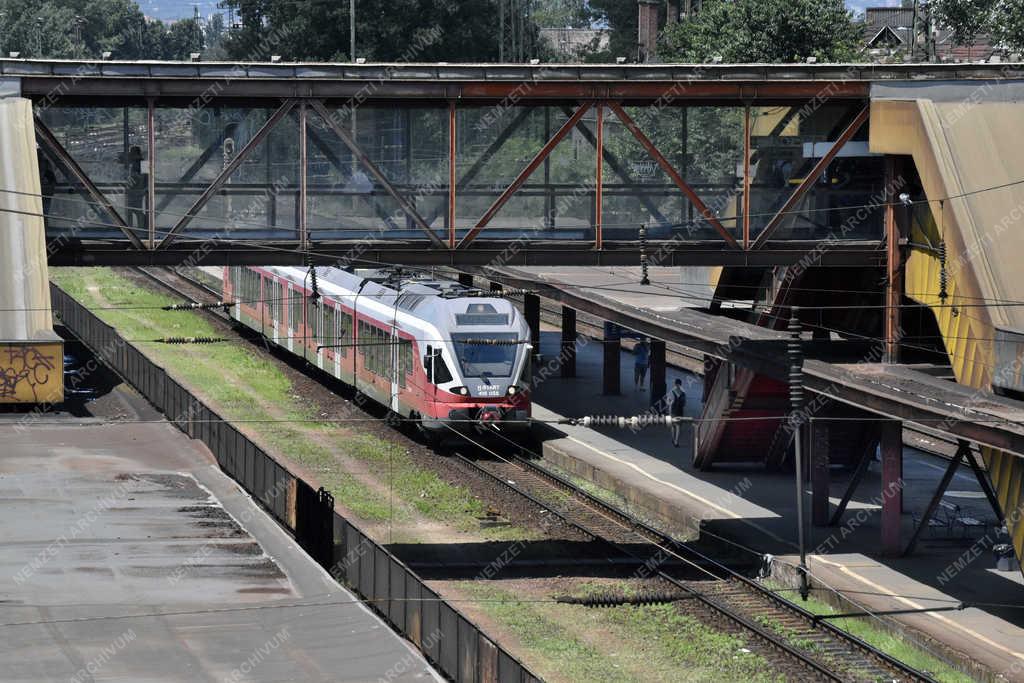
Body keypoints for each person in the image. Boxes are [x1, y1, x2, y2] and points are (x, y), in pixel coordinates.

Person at [669, 378, 686, 447]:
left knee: (673, 426)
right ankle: (676, 442)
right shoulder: (683, 393)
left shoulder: (672, 392)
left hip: (673, 411)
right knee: (678, 427)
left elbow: (669, 403)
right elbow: (684, 404)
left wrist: (669, 412)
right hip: (680, 411)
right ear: (681, 384)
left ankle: (673, 439)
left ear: (675, 384)